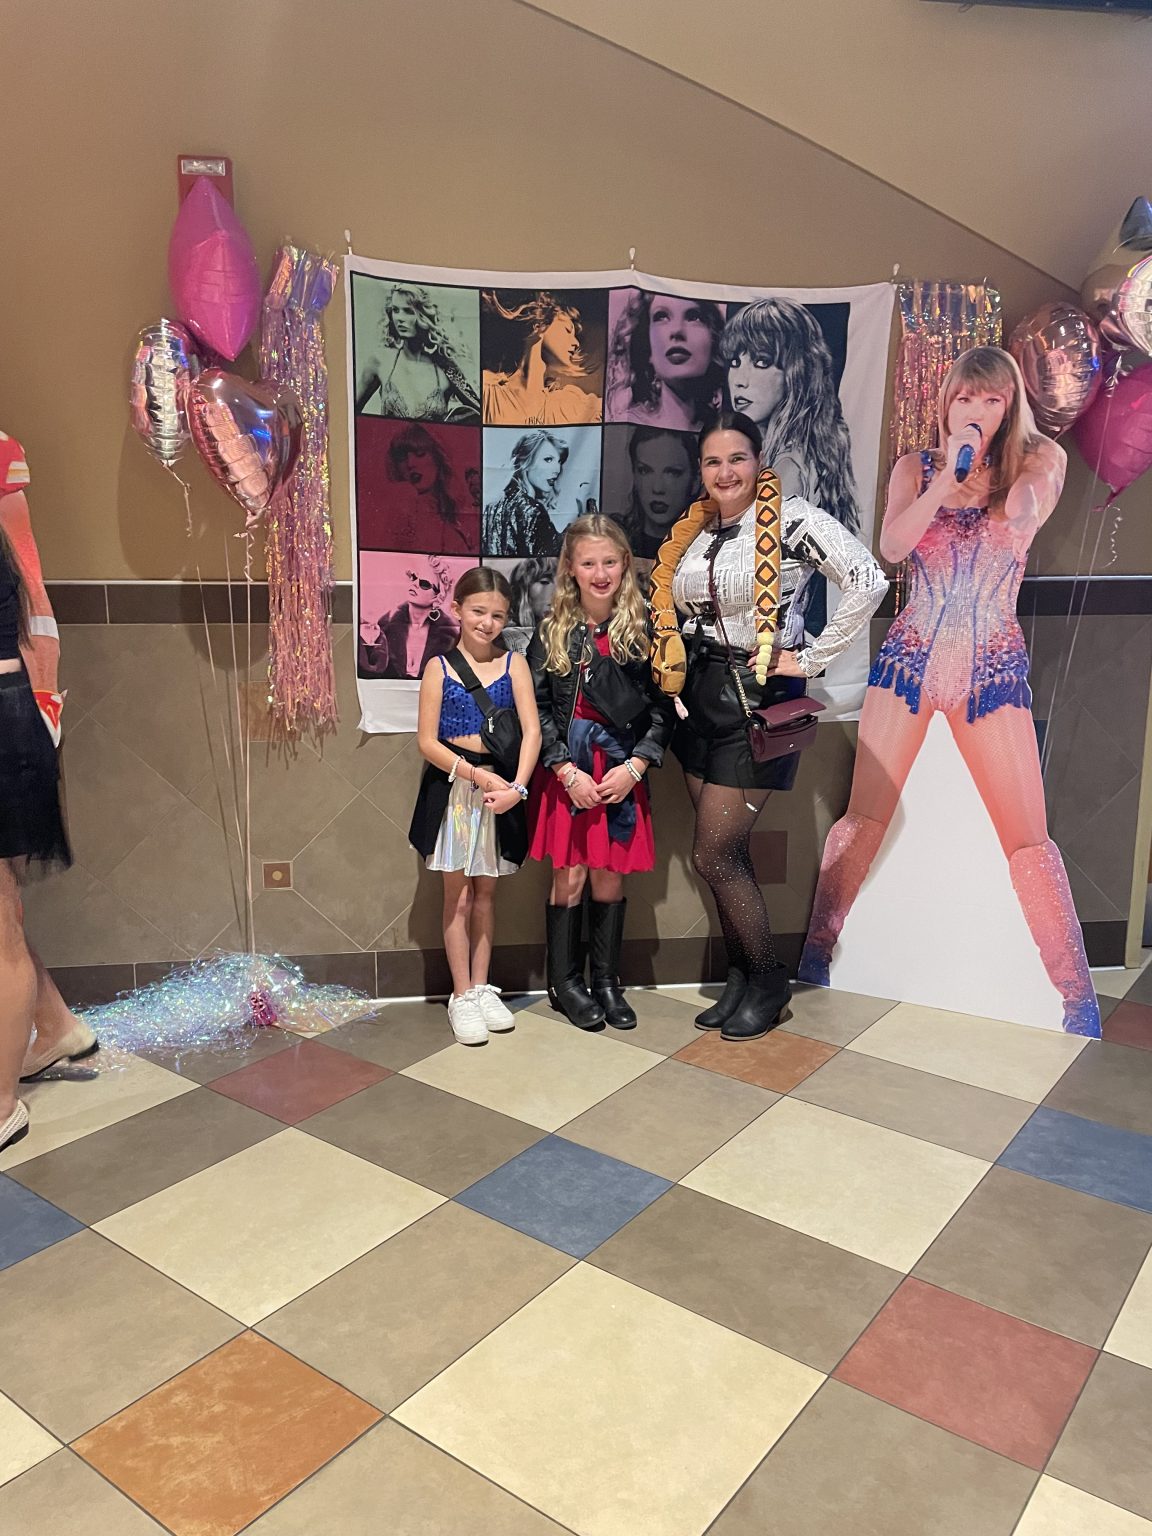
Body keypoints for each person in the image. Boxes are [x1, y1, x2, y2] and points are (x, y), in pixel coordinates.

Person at [799, 347, 1102, 1037]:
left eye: (992, 400)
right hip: (910, 659)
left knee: (1026, 837)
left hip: (989, 668)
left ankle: (1075, 994)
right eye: (966, 397)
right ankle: (817, 951)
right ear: (947, 402)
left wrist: (1010, 470)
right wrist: (947, 477)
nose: (976, 410)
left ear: (1010, 406)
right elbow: (892, 547)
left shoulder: (1041, 459)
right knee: (863, 817)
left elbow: (1023, 517)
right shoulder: (916, 468)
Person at [649, 412, 887, 1042]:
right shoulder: (696, 530)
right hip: (698, 695)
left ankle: (768, 980)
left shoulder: (792, 519)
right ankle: (741, 979)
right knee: (722, 855)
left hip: (755, 695)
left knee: (714, 852)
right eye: (712, 461)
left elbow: (868, 580)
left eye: (737, 458)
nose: (725, 472)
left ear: (759, 461)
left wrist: (808, 659)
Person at [527, 515, 675, 1030]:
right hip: (570, 770)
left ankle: (606, 982)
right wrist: (565, 771)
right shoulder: (552, 630)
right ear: (570, 567)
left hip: (620, 769)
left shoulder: (646, 630)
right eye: (588, 562)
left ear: (625, 563)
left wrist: (636, 766)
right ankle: (565, 983)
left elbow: (663, 708)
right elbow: (538, 710)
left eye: (610, 561)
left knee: (610, 873)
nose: (600, 573)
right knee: (569, 874)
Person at [0, 432, 97, 1154]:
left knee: (0, 917)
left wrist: (43, 704)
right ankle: (55, 1025)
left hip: (8, 710)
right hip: (14, 707)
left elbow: (32, 599)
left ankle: (4, 1102)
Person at [410, 568, 541, 1045]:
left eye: (498, 615)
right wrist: (475, 775)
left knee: (487, 894)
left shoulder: (515, 664)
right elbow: (427, 741)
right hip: (454, 790)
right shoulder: (439, 667)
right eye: (478, 611)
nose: (487, 623)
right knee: (458, 896)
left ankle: (483, 987)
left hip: (501, 790)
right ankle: (461, 994)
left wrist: (517, 788)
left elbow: (533, 731)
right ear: (457, 609)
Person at [723, 298, 862, 634]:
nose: (740, 379)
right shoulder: (781, 453)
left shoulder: (787, 469)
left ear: (797, 372)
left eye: (761, 362)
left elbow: (756, 572)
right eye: (735, 361)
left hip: (767, 637)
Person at [356, 282, 480, 421]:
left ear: (423, 315)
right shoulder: (380, 360)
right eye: (396, 310)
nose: (400, 318)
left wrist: (452, 422)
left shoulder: (445, 367)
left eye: (408, 311)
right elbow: (349, 412)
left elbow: (479, 413)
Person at [606, 293, 725, 432]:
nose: (677, 330)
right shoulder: (623, 427)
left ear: (714, 340)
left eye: (694, 317)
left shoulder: (726, 430)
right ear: (647, 346)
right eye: (661, 317)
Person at [481, 291, 601, 426]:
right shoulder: (488, 391)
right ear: (540, 324)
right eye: (568, 330)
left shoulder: (570, 405)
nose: (576, 343)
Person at [483, 429, 597, 557]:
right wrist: (583, 516)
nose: (557, 469)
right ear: (526, 462)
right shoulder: (532, 511)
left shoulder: (493, 505)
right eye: (548, 459)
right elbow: (554, 557)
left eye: (559, 461)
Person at [384, 424, 477, 554]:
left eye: (420, 453)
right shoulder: (400, 518)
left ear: (437, 457)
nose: (410, 464)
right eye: (402, 458)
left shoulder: (463, 516)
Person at [361, 557, 458, 679]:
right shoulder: (385, 624)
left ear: (438, 596)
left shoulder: (449, 635)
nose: (415, 584)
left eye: (424, 584)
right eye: (413, 577)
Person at [617, 427, 697, 558]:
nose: (657, 488)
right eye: (645, 471)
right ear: (634, 475)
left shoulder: (707, 546)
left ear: (695, 480)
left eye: (672, 473)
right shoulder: (613, 540)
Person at [501, 557, 555, 656]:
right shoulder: (505, 638)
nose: (557, 591)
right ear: (522, 589)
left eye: (563, 583)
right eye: (545, 582)